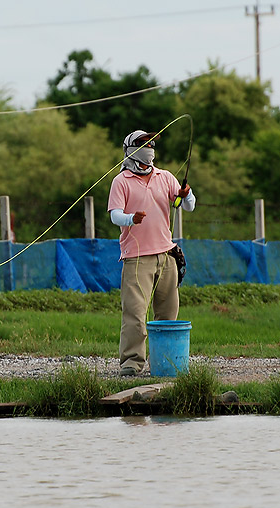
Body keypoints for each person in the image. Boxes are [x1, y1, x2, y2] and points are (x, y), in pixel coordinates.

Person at [107, 130, 196, 377]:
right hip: (136, 258)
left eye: (150, 142)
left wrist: (186, 195)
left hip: (166, 254)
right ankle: (132, 362)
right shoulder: (121, 181)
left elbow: (187, 205)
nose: (149, 146)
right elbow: (115, 214)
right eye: (142, 143)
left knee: (168, 313)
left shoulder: (165, 177)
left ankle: (165, 362)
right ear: (129, 149)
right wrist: (131, 219)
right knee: (135, 312)